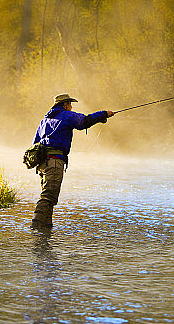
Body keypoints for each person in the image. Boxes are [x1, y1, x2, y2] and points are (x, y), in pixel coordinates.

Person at [31, 93, 114, 230]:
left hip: (42, 164)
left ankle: (45, 231)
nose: (71, 107)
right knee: (48, 197)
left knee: (49, 197)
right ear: (64, 105)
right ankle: (36, 229)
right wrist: (104, 114)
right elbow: (84, 121)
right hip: (55, 161)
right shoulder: (66, 115)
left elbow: (35, 142)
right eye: (70, 104)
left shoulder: (45, 120)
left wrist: (100, 119)